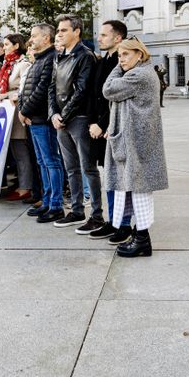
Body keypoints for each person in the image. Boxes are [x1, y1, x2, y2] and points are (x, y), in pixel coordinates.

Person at [102, 37, 169, 257]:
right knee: (134, 189)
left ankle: (142, 241)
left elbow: (108, 89)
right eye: (119, 55)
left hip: (136, 144)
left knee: (138, 189)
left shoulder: (139, 75)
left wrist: (115, 68)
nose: (121, 60)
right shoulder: (141, 72)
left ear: (139, 55)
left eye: (126, 55)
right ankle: (139, 237)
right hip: (136, 141)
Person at [47, 14, 104, 228]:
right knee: (71, 167)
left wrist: (64, 115)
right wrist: (54, 113)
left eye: (63, 30)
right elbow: (52, 88)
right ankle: (77, 211)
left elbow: (82, 90)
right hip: (61, 120)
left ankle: (96, 214)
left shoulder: (85, 56)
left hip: (78, 119)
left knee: (88, 167)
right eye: (58, 30)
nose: (59, 34)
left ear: (76, 32)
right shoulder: (59, 55)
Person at [85, 20, 130, 241]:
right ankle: (112, 220)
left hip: (113, 128)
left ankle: (123, 223)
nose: (99, 38)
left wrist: (103, 124)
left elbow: (117, 99)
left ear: (118, 38)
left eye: (104, 35)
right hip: (97, 128)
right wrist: (92, 123)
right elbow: (94, 96)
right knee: (109, 176)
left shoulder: (123, 64)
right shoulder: (101, 62)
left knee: (120, 177)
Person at [19, 23, 64, 222]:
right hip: (33, 119)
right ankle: (46, 202)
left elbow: (43, 89)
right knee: (42, 162)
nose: (31, 40)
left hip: (42, 119)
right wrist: (23, 109)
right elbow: (25, 89)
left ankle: (56, 205)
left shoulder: (50, 58)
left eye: (34, 36)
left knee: (51, 162)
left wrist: (25, 109)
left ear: (46, 38)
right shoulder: (38, 60)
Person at [0, 33, 36, 203]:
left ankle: (26, 187)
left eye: (6, 44)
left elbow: (24, 90)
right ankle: (21, 183)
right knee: (14, 149)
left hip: (18, 111)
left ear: (16, 46)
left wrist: (4, 96)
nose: (3, 48)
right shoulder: (7, 64)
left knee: (21, 150)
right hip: (8, 113)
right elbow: (4, 88)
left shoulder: (22, 64)